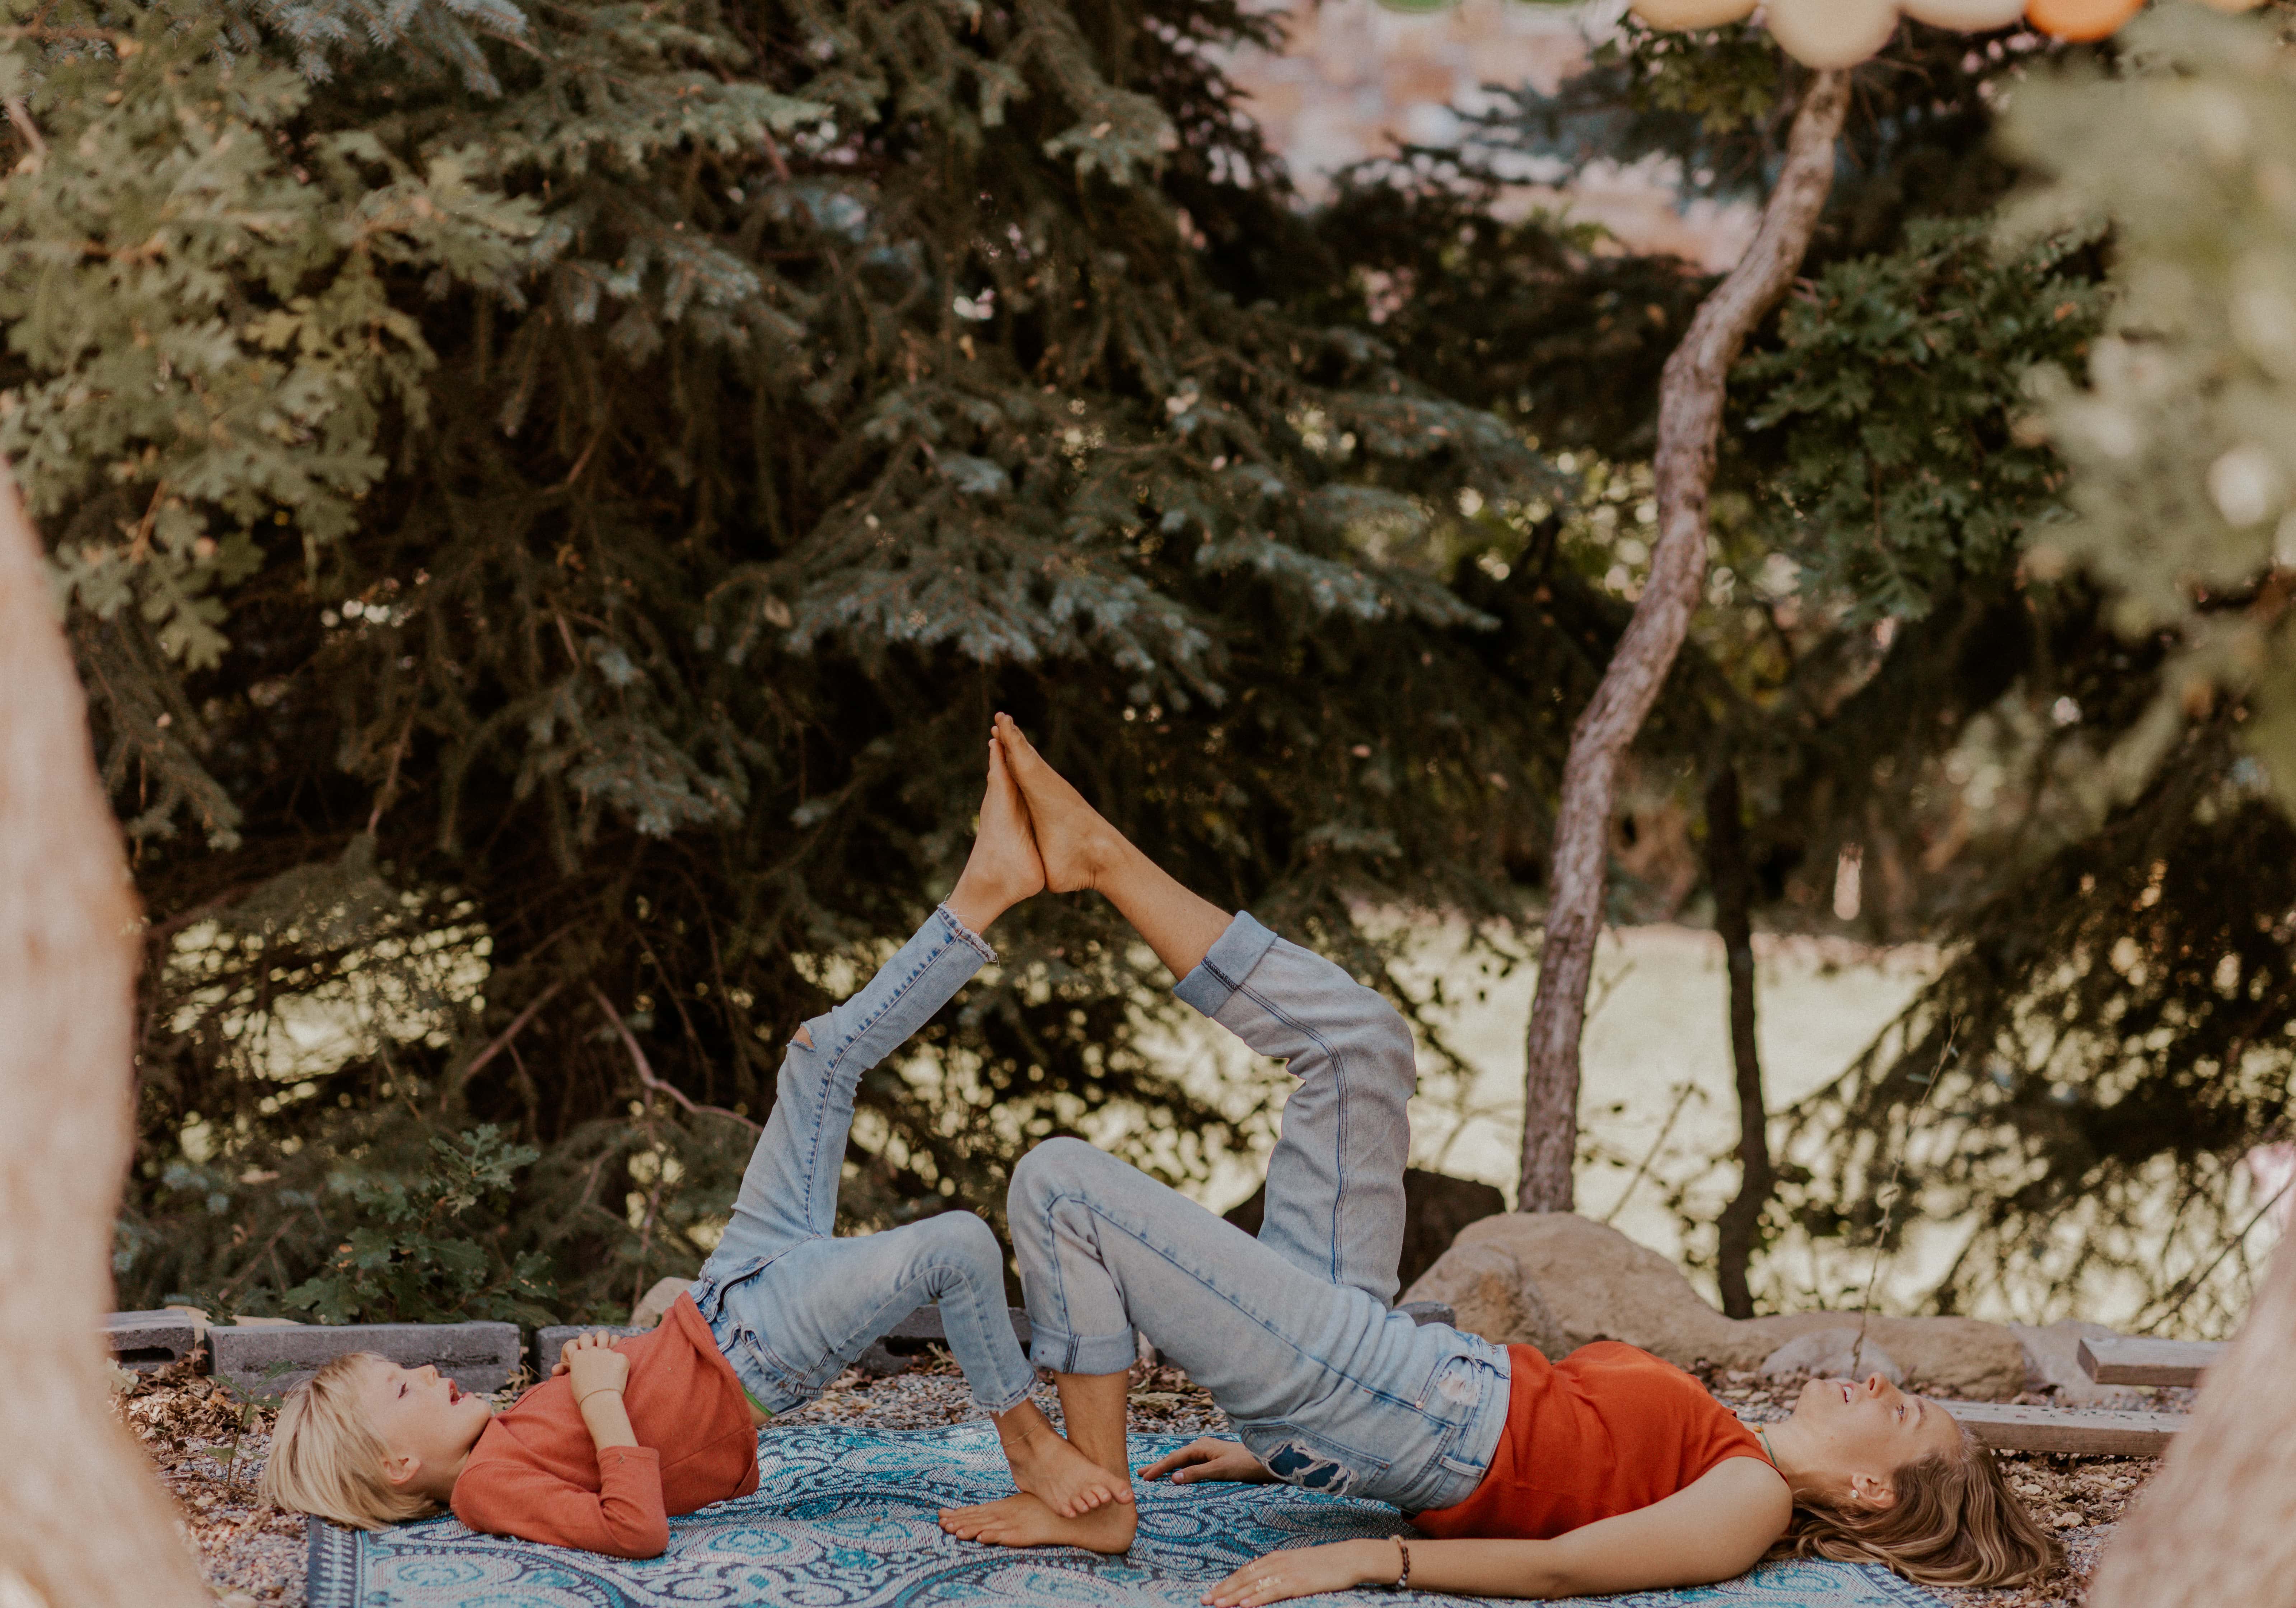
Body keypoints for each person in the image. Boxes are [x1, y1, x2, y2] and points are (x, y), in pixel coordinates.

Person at [937, 715, 2061, 1599]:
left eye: (1902, 1411)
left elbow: (1564, 1568)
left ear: (1868, 1489)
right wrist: (1297, 1451)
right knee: (1358, 1045)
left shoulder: (1749, 1502)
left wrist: (1370, 1559)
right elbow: (1536, 1475)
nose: (1880, 1383)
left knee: (1063, 1182)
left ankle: (1091, 1492)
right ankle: (1099, 858)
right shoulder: (1723, 1436)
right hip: (1370, 1383)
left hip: (1380, 1391)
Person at [262, 735, 1127, 1555]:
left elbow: (647, 1400)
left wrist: (633, 1344)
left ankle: (983, 889)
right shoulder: (486, 1486)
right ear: (398, 1467)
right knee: (956, 1244)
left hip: (729, 1290)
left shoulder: (498, 1434)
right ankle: (1026, 1446)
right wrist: (602, 1402)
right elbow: (634, 1528)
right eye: (402, 1388)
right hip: (759, 1346)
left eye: (405, 1368)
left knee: (818, 1056)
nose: (423, 1367)